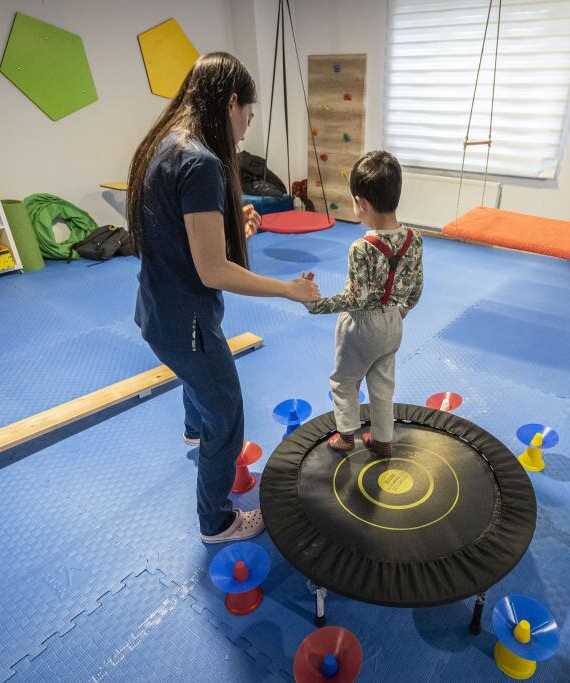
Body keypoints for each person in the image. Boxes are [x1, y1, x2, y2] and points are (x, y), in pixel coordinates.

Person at [126, 52, 320, 543]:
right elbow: (212, 270)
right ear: (231, 102)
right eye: (247, 118)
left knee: (199, 383)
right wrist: (289, 290)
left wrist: (240, 234)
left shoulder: (166, 144)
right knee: (228, 416)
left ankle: (194, 430)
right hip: (187, 324)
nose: (243, 131)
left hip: (155, 313)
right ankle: (218, 522)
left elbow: (183, 246)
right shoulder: (203, 163)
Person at [305, 150, 423, 457]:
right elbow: (416, 285)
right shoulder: (415, 237)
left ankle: (346, 436)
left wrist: (315, 303)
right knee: (382, 385)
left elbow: (355, 299)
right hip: (393, 323)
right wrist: (402, 310)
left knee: (344, 381)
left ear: (362, 204)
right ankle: (383, 439)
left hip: (360, 327)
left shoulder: (361, 248)